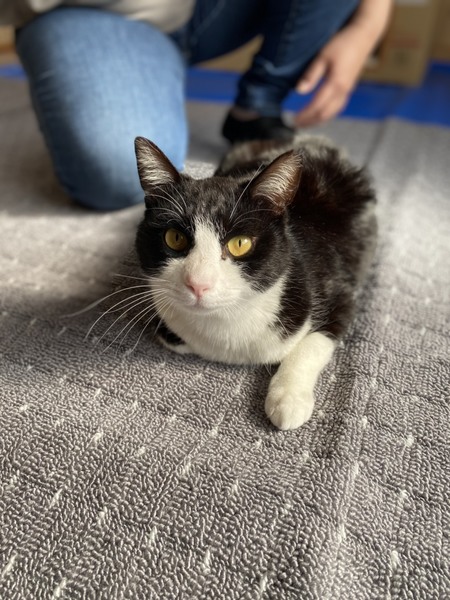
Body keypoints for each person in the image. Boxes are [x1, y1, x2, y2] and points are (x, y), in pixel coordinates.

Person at [1, 0, 391, 211]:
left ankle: (258, 104)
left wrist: (368, 23)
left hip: (209, 8)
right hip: (91, 11)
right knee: (116, 175)